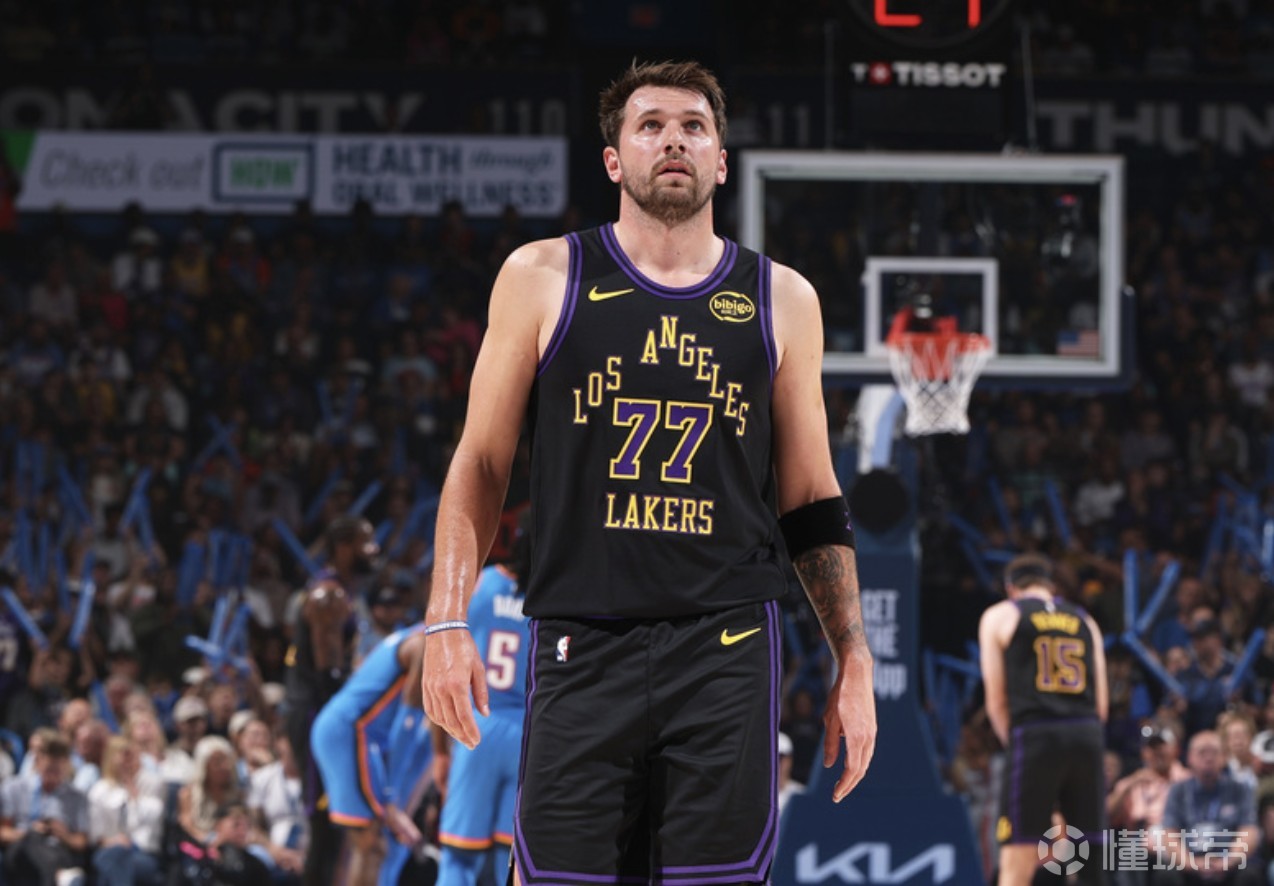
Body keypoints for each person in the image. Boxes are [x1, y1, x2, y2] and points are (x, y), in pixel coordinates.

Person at [421, 59, 875, 886]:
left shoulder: (783, 299)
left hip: (725, 648)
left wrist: (855, 658)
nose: (674, 140)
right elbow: (481, 462)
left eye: (694, 127)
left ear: (721, 161)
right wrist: (446, 619)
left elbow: (811, 497)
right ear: (613, 159)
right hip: (581, 639)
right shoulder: (542, 277)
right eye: (651, 125)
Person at [978, 553, 1109, 885]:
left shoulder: (1001, 615)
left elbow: (996, 699)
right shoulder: (1085, 620)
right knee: (1089, 856)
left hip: (1035, 734)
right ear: (1050, 586)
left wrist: (1017, 749)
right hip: (1086, 734)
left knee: (1018, 853)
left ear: (1011, 588)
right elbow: (1102, 704)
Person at [431, 524, 531, 886]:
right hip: (528, 737)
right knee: (509, 861)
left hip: (479, 727)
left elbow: (445, 663)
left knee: (458, 856)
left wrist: (440, 751)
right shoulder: (552, 598)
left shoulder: (480, 583)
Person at [282, 514, 377, 886]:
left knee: (334, 821)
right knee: (323, 819)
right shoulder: (328, 596)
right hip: (314, 712)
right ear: (343, 547)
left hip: (320, 710)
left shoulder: (344, 594)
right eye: (366, 542)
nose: (374, 550)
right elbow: (329, 675)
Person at [311, 621, 431, 886]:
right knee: (370, 844)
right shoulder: (425, 645)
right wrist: (391, 797)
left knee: (363, 842)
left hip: (348, 730)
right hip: (351, 731)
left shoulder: (408, 635)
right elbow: (407, 724)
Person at [1158, 729, 1261, 885]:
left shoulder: (1240, 790)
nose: (1208, 758)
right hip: (1190, 864)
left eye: (1214, 752)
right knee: (1165, 873)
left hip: (1229, 864)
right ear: (1190, 757)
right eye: (1202, 752)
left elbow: (1249, 832)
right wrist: (1190, 864)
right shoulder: (1178, 791)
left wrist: (1228, 862)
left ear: (1224, 757)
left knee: (1251, 873)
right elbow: (1169, 835)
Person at [0, 731, 90, 886]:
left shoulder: (77, 797)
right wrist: (28, 832)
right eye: (49, 770)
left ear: (67, 765)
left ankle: (59, 876)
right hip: (21, 848)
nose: (53, 777)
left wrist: (63, 834)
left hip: (59, 848)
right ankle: (60, 877)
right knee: (34, 843)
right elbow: (3, 832)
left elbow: (81, 842)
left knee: (51, 854)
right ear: (37, 761)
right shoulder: (14, 787)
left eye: (58, 771)